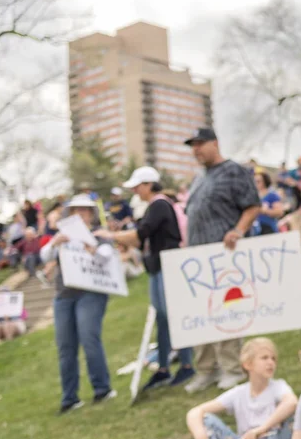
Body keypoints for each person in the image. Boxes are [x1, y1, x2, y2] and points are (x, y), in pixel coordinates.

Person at [95, 165, 196, 391]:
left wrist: (110, 235)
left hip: (166, 267)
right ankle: (163, 368)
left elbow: (140, 235)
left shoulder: (159, 205)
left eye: (138, 186)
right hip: (157, 268)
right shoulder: (153, 206)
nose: (135, 191)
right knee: (162, 318)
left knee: (172, 316)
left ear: (149, 184)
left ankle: (186, 364)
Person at [182, 127, 261, 393]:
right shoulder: (198, 178)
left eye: (200, 143)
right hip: (197, 258)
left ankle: (231, 367)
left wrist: (238, 230)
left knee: (226, 310)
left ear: (215, 143)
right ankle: (206, 369)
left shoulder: (234, 171)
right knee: (201, 312)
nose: (196, 149)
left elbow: (252, 205)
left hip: (224, 256)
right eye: (192, 145)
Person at [40, 194, 116, 414]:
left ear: (92, 214)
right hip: (64, 294)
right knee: (66, 347)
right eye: (76, 210)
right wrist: (55, 243)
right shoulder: (63, 236)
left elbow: (106, 257)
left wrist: (91, 247)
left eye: (85, 210)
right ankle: (69, 398)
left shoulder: (99, 234)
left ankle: (102, 388)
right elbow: (45, 256)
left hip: (91, 293)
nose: (81, 214)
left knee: (89, 338)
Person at [185, 338, 297, 439]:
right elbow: (195, 412)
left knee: (290, 418)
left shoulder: (278, 387)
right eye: (264, 358)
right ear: (247, 364)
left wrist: (260, 430)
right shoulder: (239, 392)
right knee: (206, 420)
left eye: (273, 358)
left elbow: (292, 402)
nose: (271, 362)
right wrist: (200, 436)